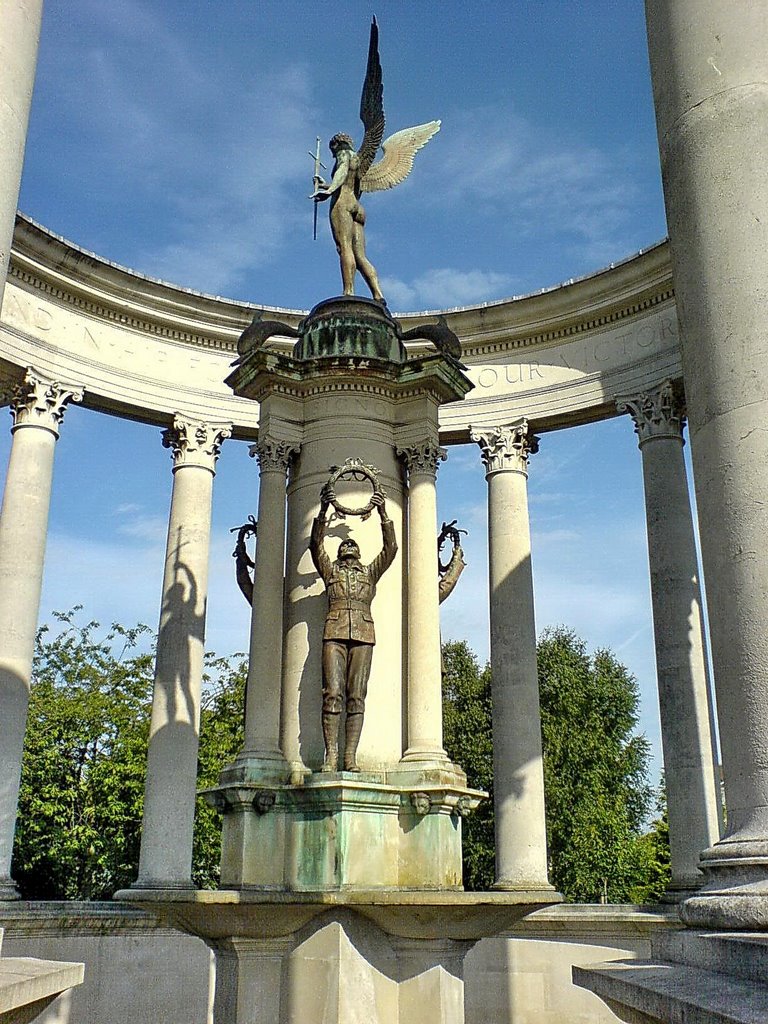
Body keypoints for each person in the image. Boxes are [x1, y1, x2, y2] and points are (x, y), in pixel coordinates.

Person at [310, 487, 397, 772]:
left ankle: (350, 756)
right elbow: (315, 546)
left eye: (352, 546)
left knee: (356, 695)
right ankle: (331, 755)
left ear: (358, 554)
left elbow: (391, 549)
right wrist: (323, 511)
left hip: (363, 635)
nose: (347, 547)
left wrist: (383, 511)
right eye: (343, 546)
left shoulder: (370, 572)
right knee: (332, 693)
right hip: (334, 634)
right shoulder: (330, 571)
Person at [311, 133, 385, 303]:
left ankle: (348, 291)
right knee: (361, 256)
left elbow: (342, 171)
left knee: (344, 248)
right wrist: (326, 185)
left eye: (332, 149)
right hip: (356, 206)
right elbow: (351, 184)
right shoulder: (357, 159)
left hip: (342, 204)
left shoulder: (343, 154)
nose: (332, 154)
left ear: (337, 144)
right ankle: (378, 293)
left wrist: (329, 192)